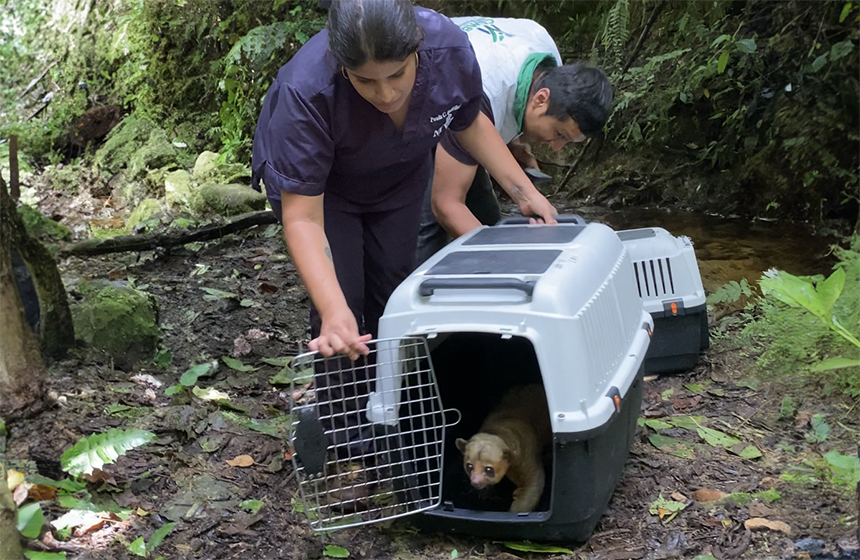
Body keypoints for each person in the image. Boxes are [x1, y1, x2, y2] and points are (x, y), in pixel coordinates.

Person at [250, 0, 558, 362]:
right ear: (340, 64)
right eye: (365, 80)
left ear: (418, 49)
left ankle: (395, 406)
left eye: (397, 75)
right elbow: (303, 217)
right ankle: (345, 411)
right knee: (342, 306)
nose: (386, 95)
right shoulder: (306, 92)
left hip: (399, 175)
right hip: (324, 192)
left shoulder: (448, 50)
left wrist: (525, 192)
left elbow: (469, 120)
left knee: (393, 289)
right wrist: (334, 311)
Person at [415, 16, 613, 265]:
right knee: (428, 230)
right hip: (412, 101)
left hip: (460, 92)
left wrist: (512, 145)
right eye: (559, 134)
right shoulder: (480, 92)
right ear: (541, 99)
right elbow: (446, 206)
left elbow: (505, 110)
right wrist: (505, 262)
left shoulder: (546, 56)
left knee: (485, 217)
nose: (555, 146)